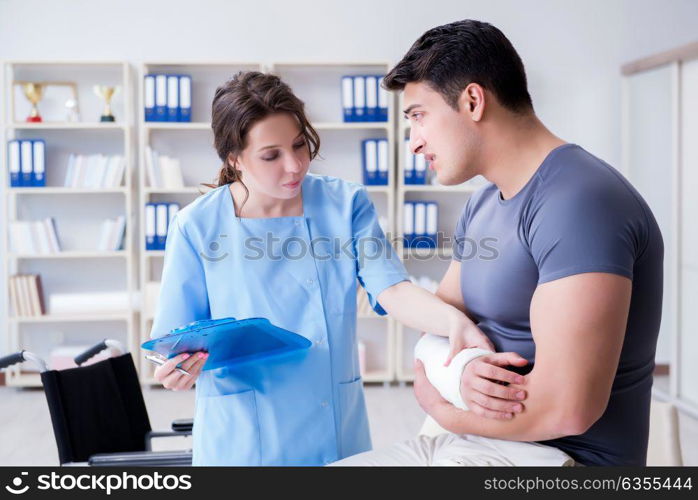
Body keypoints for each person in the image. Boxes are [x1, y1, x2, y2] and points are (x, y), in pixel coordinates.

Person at [332, 19, 663, 466]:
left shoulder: (580, 202)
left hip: (559, 461)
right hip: (477, 444)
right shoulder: (485, 201)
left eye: (418, 117)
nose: (414, 143)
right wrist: (459, 373)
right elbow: (437, 333)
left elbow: (568, 410)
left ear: (472, 100)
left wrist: (445, 409)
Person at [148, 71, 496, 466]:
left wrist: (453, 322)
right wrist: (175, 370)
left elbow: (392, 289)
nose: (295, 165)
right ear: (234, 157)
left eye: (299, 145)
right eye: (271, 155)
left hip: (331, 420)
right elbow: (171, 344)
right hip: (242, 433)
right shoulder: (196, 226)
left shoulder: (344, 204)